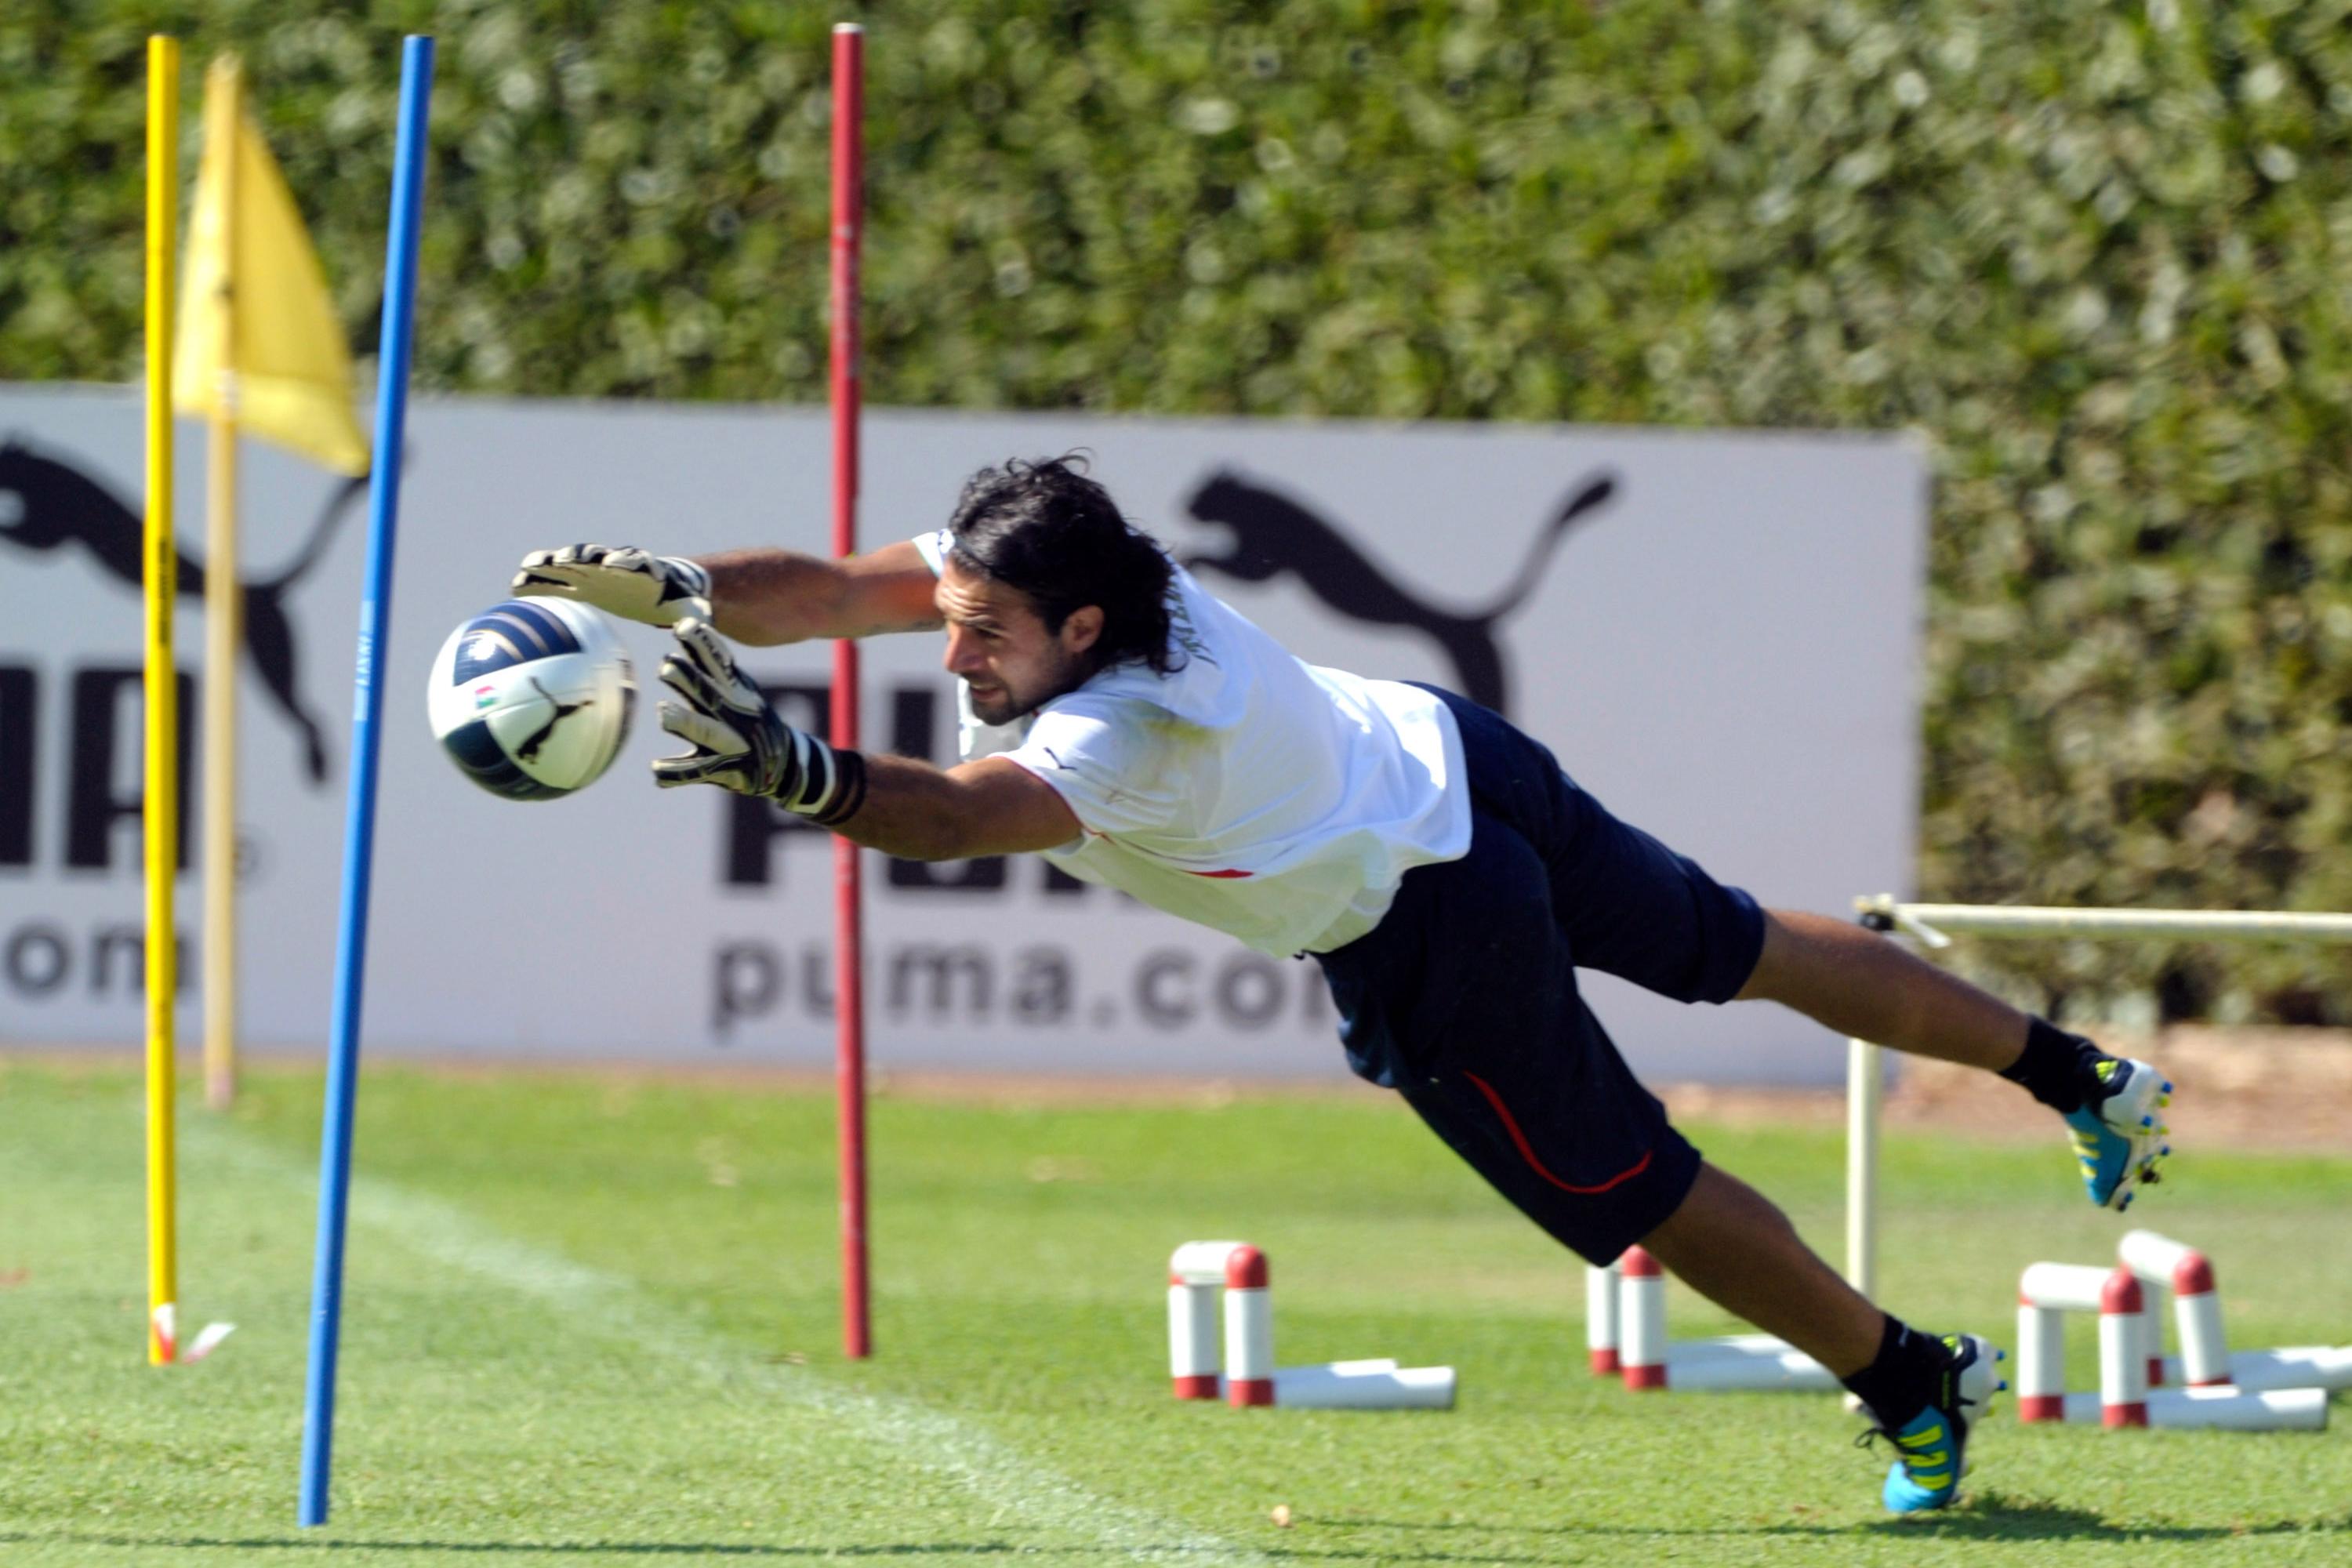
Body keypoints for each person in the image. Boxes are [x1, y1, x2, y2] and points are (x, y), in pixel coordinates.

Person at [513, 455, 2172, 1514]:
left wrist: (800, 773)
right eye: (958, 620)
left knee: (1633, 1183)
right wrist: (672, 591)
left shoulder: (1129, 729)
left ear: (1083, 624)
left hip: (1428, 917)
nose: (954, 656)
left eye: (987, 636)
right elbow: (835, 586)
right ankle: (2080, 1072)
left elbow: (959, 816)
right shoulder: (1085, 577)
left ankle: (1911, 1376)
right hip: (1445, 755)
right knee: (1731, 941)